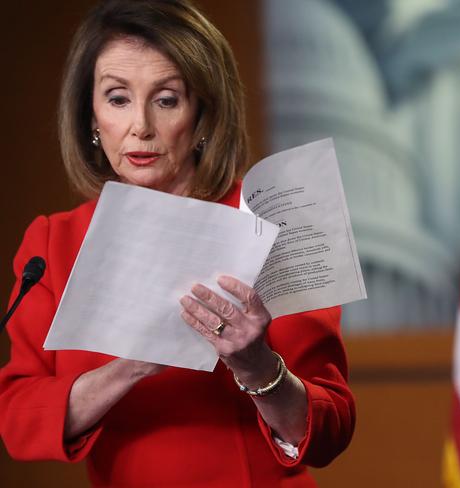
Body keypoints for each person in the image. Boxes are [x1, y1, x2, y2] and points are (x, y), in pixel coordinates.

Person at [0, 1, 355, 486]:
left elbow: (332, 429)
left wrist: (257, 367)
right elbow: (19, 419)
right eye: (118, 98)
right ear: (91, 115)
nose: (140, 126)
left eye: (166, 99)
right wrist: (130, 367)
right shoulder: (54, 242)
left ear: (204, 114)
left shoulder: (275, 225)